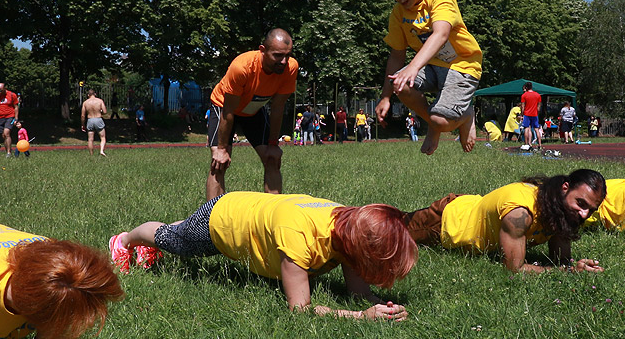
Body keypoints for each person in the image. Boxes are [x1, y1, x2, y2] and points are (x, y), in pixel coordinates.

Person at [109, 192, 416, 320]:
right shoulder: (299, 238)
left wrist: (378, 307)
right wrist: (360, 317)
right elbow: (300, 309)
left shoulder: (348, 225)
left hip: (251, 209)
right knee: (180, 243)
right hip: (226, 221)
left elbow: (358, 292)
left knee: (186, 229)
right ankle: (125, 240)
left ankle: (165, 235)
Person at [376, 0, 482, 154]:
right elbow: (397, 55)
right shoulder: (398, 13)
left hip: (462, 65)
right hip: (432, 66)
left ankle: (465, 115)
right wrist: (386, 97)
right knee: (398, 82)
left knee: (440, 121)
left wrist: (413, 67)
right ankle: (434, 124)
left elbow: (441, 34)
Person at [402, 169, 607, 273]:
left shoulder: (562, 209)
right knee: (388, 230)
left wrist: (573, 268)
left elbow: (561, 261)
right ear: (565, 188)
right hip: (445, 221)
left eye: (591, 209)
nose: (584, 214)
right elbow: (514, 270)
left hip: (474, 207)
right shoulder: (519, 214)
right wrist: (565, 272)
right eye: (581, 203)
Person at [206, 29, 298, 200]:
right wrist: (221, 149)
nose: (284, 61)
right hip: (225, 106)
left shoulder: (290, 68)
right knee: (219, 163)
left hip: (253, 108)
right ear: (262, 50)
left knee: (272, 159)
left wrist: (273, 144)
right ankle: (209, 220)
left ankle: (273, 215)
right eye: (278, 55)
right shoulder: (242, 67)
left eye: (288, 55)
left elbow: (278, 107)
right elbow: (228, 111)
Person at [0, 82, 20, 158]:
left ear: (5, 88)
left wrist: (16, 119)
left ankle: (9, 153)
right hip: (0, 117)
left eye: (1, 90)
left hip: (10, 116)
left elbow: (16, 107)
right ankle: (8, 151)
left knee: (6, 133)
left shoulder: (12, 95)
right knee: (3, 135)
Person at [80, 88, 108, 156]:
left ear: (88, 95)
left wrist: (83, 124)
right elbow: (105, 112)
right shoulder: (100, 101)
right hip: (98, 119)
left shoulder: (85, 103)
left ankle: (91, 154)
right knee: (103, 137)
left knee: (90, 139)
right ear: (95, 94)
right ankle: (101, 150)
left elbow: (83, 116)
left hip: (90, 120)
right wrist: (100, 112)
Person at [519, 83, 543, 149]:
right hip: (534, 114)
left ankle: (526, 144)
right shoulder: (537, 95)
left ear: (526, 87)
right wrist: (537, 112)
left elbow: (523, 106)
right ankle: (540, 144)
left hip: (527, 114)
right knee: (536, 129)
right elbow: (539, 106)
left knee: (526, 128)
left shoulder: (524, 95)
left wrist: (522, 114)